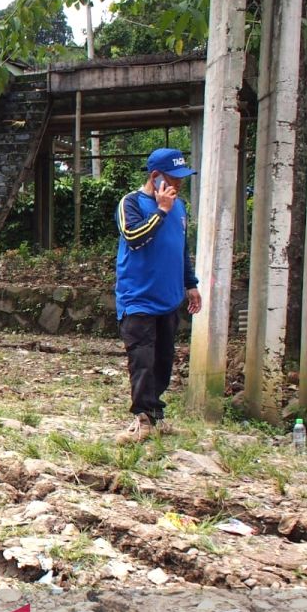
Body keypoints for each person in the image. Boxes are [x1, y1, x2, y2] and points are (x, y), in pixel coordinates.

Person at [114, 148, 202, 444]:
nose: (179, 185)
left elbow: (181, 248)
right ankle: (142, 419)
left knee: (163, 361)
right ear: (155, 177)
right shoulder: (131, 203)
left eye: (182, 179)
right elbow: (134, 237)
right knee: (142, 360)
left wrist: (191, 283)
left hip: (169, 297)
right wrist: (161, 211)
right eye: (174, 179)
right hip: (137, 298)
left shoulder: (180, 207)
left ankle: (155, 414)